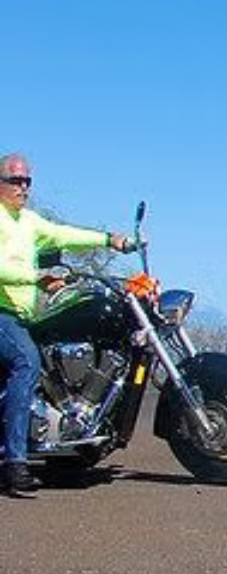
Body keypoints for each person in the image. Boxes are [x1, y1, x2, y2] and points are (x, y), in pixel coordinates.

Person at [0, 154, 137, 498]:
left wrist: (110, 240)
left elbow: (62, 234)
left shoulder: (27, 221)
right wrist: (37, 277)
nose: (23, 187)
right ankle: (14, 462)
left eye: (27, 181)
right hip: (2, 313)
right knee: (26, 362)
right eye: (15, 180)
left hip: (22, 315)